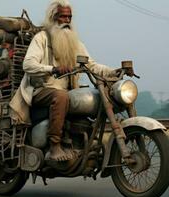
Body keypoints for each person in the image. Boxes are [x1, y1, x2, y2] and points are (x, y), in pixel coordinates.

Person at [10, 0, 120, 161]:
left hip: (68, 92)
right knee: (61, 96)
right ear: (54, 17)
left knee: (91, 97)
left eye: (69, 17)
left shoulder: (74, 42)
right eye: (63, 17)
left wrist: (115, 72)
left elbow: (92, 65)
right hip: (41, 91)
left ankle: (84, 141)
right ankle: (55, 146)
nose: (67, 21)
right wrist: (52, 69)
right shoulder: (42, 39)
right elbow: (28, 64)